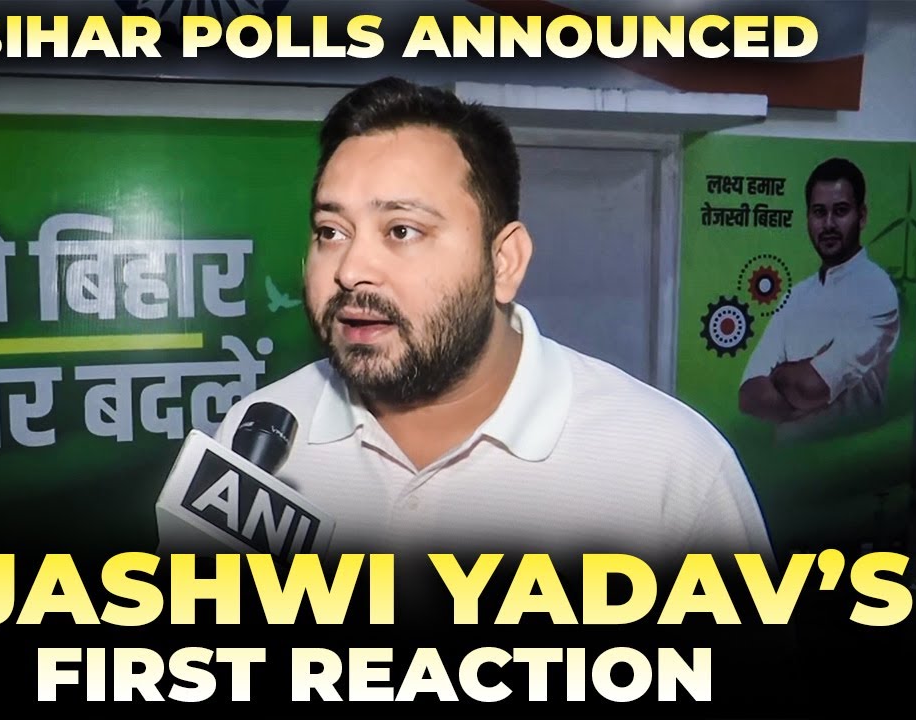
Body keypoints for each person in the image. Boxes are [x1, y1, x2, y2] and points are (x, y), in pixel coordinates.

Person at [208, 76, 774, 567]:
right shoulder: (254, 436)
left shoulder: (670, 468)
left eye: (402, 230)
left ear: (503, 263)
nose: (351, 269)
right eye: (331, 232)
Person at [738, 158, 900, 443]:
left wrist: (778, 375)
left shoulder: (876, 290)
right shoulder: (796, 296)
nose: (828, 224)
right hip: (791, 463)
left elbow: (810, 388)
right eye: (819, 212)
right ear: (808, 219)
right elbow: (749, 395)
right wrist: (800, 379)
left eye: (841, 211)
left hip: (851, 459)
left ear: (862, 216)